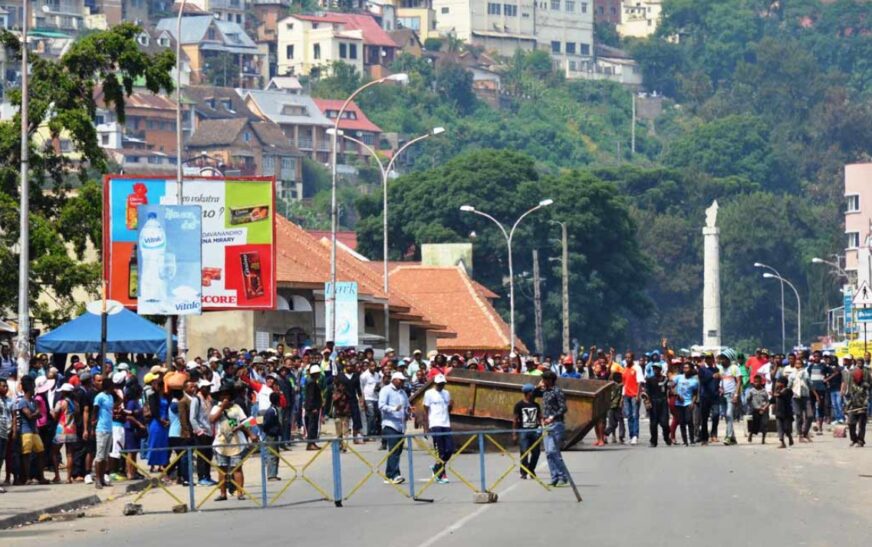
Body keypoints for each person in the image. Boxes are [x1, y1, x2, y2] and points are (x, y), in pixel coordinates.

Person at [210, 383, 256, 501]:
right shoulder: (216, 408)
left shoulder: (236, 408)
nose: (225, 397)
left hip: (236, 440)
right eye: (222, 395)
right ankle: (222, 493)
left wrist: (250, 434)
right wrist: (222, 408)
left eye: (227, 395)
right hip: (221, 441)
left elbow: (245, 422)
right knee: (222, 469)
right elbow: (212, 420)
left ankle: (240, 492)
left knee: (237, 468)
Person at [537, 370, 569, 487]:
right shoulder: (544, 392)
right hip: (546, 424)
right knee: (548, 453)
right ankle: (554, 477)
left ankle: (563, 476)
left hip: (556, 424)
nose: (543, 382)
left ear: (550, 380)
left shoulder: (557, 391)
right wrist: (538, 386)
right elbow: (533, 393)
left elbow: (563, 408)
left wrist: (552, 417)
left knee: (553, 451)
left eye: (544, 379)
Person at [16, 377, 50, 484]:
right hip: (25, 431)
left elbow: (35, 414)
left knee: (41, 451)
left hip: (34, 430)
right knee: (26, 454)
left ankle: (41, 477)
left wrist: (35, 414)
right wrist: (36, 413)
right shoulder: (22, 402)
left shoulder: (33, 401)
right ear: (29, 388)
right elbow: (30, 415)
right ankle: (26, 478)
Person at [378, 372, 410, 484]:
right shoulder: (386, 390)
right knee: (394, 449)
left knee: (398, 450)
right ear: (394, 380)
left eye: (403, 381)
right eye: (400, 380)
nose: (402, 382)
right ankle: (395, 474)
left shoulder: (403, 392)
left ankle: (389, 475)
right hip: (389, 424)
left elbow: (407, 406)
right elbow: (381, 405)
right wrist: (393, 409)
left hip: (401, 425)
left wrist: (408, 412)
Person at [422, 374, 453, 484]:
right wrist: (426, 427)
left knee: (449, 450)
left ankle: (436, 467)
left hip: (446, 424)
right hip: (435, 424)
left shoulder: (446, 393)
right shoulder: (429, 393)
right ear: (435, 383)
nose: (441, 386)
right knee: (440, 450)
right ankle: (441, 473)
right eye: (439, 384)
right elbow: (425, 410)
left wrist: (451, 405)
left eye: (443, 384)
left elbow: (449, 408)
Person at [50, 383, 79, 483]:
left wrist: (52, 412)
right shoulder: (75, 403)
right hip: (72, 429)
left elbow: (55, 416)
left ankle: (57, 476)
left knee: (54, 452)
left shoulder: (60, 402)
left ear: (63, 392)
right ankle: (68, 477)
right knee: (70, 454)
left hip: (61, 429)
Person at [92, 376, 116, 489]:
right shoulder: (100, 397)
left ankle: (102, 478)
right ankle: (97, 479)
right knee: (99, 456)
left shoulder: (111, 396)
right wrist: (92, 426)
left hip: (109, 428)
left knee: (105, 456)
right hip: (101, 428)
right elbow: (95, 411)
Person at [513, 383, 542, 479]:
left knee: (536, 452)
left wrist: (541, 427)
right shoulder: (519, 405)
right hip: (523, 431)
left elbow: (539, 417)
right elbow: (515, 420)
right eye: (532, 392)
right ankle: (523, 472)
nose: (534, 393)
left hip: (534, 431)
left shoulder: (536, 405)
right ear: (528, 393)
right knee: (524, 452)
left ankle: (531, 468)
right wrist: (514, 433)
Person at [146, 378, 170, 472]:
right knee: (154, 442)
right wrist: (161, 420)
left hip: (165, 420)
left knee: (163, 444)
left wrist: (167, 420)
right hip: (157, 422)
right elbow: (153, 410)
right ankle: (152, 464)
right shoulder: (152, 396)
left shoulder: (166, 396)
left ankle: (161, 464)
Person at [643, 363, 670, 447]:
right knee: (653, 423)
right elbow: (646, 392)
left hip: (663, 402)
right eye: (654, 368)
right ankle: (653, 441)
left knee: (665, 423)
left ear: (660, 369)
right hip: (653, 402)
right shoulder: (650, 380)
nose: (655, 370)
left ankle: (666, 437)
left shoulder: (665, 379)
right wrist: (647, 402)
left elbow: (669, 390)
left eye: (657, 368)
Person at [672, 363, 699, 446]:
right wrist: (676, 394)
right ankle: (685, 441)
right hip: (679, 403)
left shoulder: (694, 381)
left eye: (687, 368)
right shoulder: (679, 377)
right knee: (682, 422)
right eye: (684, 368)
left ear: (691, 369)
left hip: (688, 403)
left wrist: (693, 402)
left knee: (689, 420)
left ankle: (691, 440)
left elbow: (695, 393)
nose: (685, 369)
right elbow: (671, 386)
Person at [787, 357, 812, 442]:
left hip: (805, 395)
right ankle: (800, 434)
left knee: (810, 415)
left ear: (802, 365)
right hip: (796, 396)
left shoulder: (805, 373)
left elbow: (810, 383)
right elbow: (789, 386)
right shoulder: (792, 375)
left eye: (800, 364)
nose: (798, 365)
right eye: (796, 364)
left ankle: (805, 432)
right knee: (798, 416)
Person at [719, 353, 740, 445]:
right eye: (721, 359)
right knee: (727, 417)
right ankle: (733, 437)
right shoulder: (720, 369)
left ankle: (727, 436)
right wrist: (720, 388)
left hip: (731, 394)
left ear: (728, 359)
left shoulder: (734, 368)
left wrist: (736, 395)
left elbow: (739, 381)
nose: (722, 361)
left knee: (729, 414)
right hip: (722, 395)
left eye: (723, 359)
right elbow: (720, 380)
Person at [845, 366, 868, 447]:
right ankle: (854, 439)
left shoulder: (865, 385)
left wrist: (865, 404)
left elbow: (867, 396)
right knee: (851, 424)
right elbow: (851, 397)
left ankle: (860, 440)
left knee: (861, 425)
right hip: (853, 407)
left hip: (862, 407)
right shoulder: (852, 385)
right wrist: (847, 406)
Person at [622, 358, 643, 445]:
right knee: (629, 415)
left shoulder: (637, 368)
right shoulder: (625, 369)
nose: (627, 359)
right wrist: (622, 396)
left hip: (634, 395)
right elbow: (624, 383)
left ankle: (635, 435)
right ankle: (631, 436)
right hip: (626, 395)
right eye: (626, 357)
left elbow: (640, 382)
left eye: (629, 357)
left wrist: (638, 395)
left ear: (632, 358)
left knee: (635, 415)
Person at [359, 360, 382, 440]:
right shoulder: (364, 375)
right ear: (369, 366)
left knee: (375, 415)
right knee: (371, 415)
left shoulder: (377, 375)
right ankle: (368, 434)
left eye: (374, 366)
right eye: (371, 366)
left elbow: (378, 384)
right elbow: (361, 387)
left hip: (376, 398)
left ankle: (374, 432)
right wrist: (362, 399)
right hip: (368, 398)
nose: (373, 368)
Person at [262, 392, 282, 480]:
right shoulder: (271, 411)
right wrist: (271, 430)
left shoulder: (274, 409)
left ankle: (274, 473)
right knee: (272, 454)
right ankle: (271, 475)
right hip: (271, 435)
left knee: (275, 454)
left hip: (274, 434)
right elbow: (266, 423)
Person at [304, 365, 323, 451]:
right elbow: (311, 396)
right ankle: (310, 443)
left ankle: (312, 442)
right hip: (312, 408)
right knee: (312, 425)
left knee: (313, 425)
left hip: (312, 407)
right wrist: (313, 407)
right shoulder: (311, 382)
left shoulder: (312, 381)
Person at [772, 377, 794, 449]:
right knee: (779, 428)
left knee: (786, 428)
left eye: (778, 382)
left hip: (787, 413)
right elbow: (772, 400)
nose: (777, 384)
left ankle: (790, 437)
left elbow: (781, 395)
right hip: (778, 413)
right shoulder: (777, 391)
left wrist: (775, 392)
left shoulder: (788, 390)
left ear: (783, 384)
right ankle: (782, 442)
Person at [746, 375, 769, 444]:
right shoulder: (751, 391)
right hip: (756, 410)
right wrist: (751, 406)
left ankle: (763, 439)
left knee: (764, 424)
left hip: (764, 410)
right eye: (755, 382)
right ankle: (751, 434)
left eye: (758, 382)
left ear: (761, 382)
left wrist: (764, 408)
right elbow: (748, 400)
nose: (756, 383)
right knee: (755, 424)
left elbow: (768, 401)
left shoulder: (764, 391)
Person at [603, 371, 624, 445]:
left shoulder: (615, 384)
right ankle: (605, 434)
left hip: (616, 406)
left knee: (616, 422)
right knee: (614, 424)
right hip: (612, 406)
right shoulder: (614, 385)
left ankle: (621, 435)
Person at [0, 376, 11, 492]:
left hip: (5, 432)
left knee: (1, 458)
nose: (6, 388)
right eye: (3, 386)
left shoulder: (8, 400)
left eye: (6, 385)